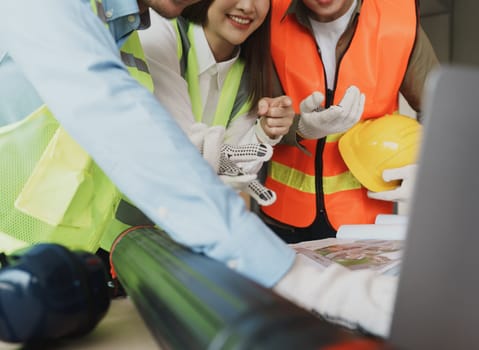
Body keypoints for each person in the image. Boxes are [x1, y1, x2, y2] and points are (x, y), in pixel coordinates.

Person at [0, 0, 397, 337]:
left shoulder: (126, 30)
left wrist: (280, 132)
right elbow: (135, 134)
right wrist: (307, 282)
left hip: (45, 270)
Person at [259, 0, 440, 243]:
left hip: (366, 223)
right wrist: (298, 128)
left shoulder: (400, 19)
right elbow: (249, 113)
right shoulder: (267, 15)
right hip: (283, 219)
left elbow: (440, 112)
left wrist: (429, 170)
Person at [138, 0, 295, 206]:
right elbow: (184, 146)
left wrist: (264, 132)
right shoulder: (159, 30)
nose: (247, 7)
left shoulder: (249, 71)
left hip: (184, 224)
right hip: (128, 223)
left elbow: (237, 172)